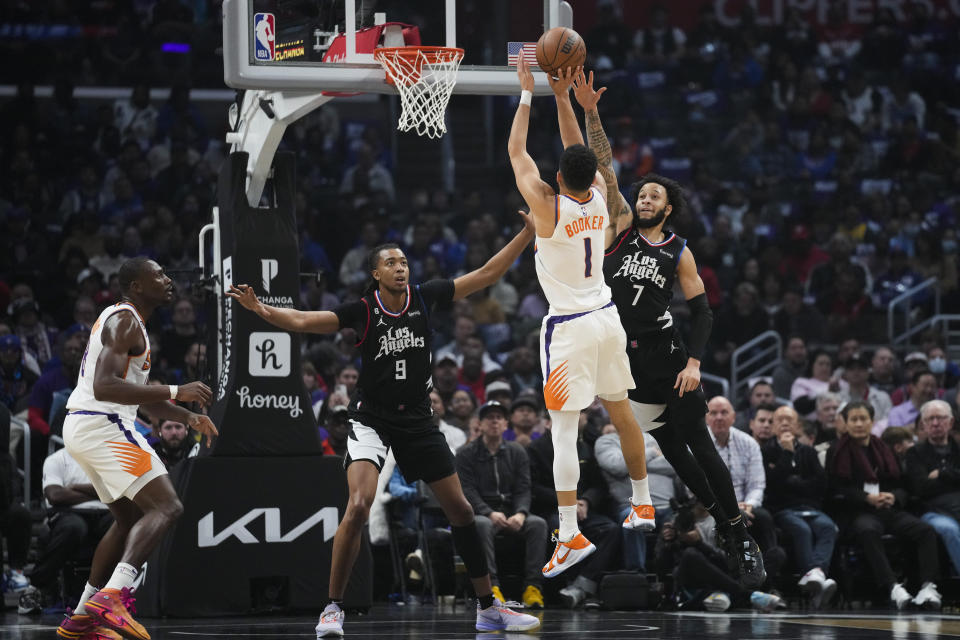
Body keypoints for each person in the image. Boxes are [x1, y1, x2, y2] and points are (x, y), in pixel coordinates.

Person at [228, 225, 541, 636]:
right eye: (391, 263)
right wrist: (263, 310)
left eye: (404, 262)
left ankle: (488, 608)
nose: (400, 268)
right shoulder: (362, 310)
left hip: (416, 419)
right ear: (375, 273)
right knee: (359, 505)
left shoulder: (425, 296)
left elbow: (485, 275)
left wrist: (527, 233)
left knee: (462, 511)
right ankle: (333, 608)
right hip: (372, 418)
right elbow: (305, 320)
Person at [569, 66, 765, 588]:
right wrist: (591, 111)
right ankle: (727, 526)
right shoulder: (619, 227)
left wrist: (696, 363)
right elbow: (605, 168)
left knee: (697, 442)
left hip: (667, 354)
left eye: (655, 196)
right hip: (624, 361)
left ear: (669, 207)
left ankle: (737, 533)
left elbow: (702, 310)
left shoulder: (678, 250)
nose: (646, 199)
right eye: (644, 194)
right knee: (676, 455)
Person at [508, 61, 655, 582]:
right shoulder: (601, 196)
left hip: (569, 326)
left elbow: (516, 153)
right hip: (608, 317)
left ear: (556, 179)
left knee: (565, 431)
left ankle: (568, 531)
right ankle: (642, 501)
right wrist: (564, 98)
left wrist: (527, 95)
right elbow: (585, 152)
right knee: (622, 413)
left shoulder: (548, 208)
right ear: (589, 174)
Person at [57, 257, 218, 640]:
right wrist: (177, 390)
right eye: (158, 275)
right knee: (168, 506)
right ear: (135, 285)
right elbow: (106, 387)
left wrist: (186, 415)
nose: (167, 280)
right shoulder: (125, 320)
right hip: (103, 425)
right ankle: (115, 595)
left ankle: (82, 616)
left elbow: (135, 394)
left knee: (129, 519)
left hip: (89, 425)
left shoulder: (129, 322)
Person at [825, 401, 941, 610]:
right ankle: (892, 587)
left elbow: (903, 485)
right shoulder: (837, 450)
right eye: (854, 419)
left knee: (925, 530)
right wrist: (865, 498)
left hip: (888, 509)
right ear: (846, 423)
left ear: (872, 422)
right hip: (857, 512)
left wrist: (893, 497)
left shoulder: (883, 448)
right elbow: (835, 489)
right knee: (868, 530)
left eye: (863, 419)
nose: (859, 424)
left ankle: (927, 586)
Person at [456, 401, 547, 609]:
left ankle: (533, 588)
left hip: (513, 513)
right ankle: (492, 588)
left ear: (506, 424)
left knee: (538, 524)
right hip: (483, 513)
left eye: (499, 417)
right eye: (490, 417)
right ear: (480, 423)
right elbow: (467, 491)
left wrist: (522, 513)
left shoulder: (517, 452)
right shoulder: (465, 453)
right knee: (481, 525)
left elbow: (524, 488)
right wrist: (488, 513)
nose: (494, 421)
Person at [18, 447, 113, 615]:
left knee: (124, 525)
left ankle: (119, 590)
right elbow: (54, 495)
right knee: (74, 528)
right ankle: (36, 587)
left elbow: (117, 491)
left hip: (105, 513)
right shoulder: (57, 459)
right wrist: (99, 492)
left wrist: (75, 487)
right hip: (67, 513)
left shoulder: (107, 458)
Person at [761, 405, 838, 608]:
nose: (785, 423)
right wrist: (787, 455)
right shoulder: (766, 451)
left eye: (790, 419)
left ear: (797, 425)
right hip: (783, 510)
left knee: (828, 527)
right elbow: (771, 485)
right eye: (780, 419)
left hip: (811, 508)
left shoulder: (809, 452)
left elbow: (821, 484)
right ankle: (814, 577)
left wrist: (791, 481)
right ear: (773, 425)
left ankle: (815, 575)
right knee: (802, 530)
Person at [706, 397, 785, 589]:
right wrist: (730, 508)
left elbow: (757, 485)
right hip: (712, 507)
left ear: (734, 417)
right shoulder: (698, 443)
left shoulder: (749, 443)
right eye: (713, 413)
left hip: (745, 505)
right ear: (706, 418)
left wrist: (748, 504)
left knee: (764, 517)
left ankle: (767, 580)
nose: (719, 417)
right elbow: (693, 485)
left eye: (724, 413)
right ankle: (738, 587)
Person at [904, 400, 960, 576]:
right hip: (933, 511)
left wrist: (942, 473)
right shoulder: (915, 453)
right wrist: (954, 476)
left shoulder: (958, 448)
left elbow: (933, 483)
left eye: (941, 418)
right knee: (949, 530)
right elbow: (922, 488)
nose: (936, 423)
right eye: (930, 419)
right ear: (923, 424)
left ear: (950, 422)